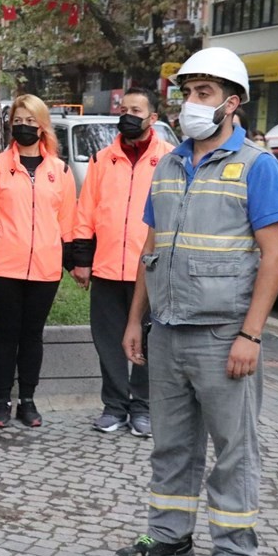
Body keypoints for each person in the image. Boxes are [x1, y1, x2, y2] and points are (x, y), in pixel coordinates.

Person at [113, 47, 278, 556]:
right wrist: (136, 321)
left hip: (222, 336)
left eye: (204, 93)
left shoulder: (257, 167)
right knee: (172, 444)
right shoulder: (168, 163)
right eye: (187, 92)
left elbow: (276, 255)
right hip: (166, 330)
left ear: (232, 104)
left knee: (234, 449)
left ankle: (234, 555)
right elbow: (151, 246)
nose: (190, 103)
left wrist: (251, 334)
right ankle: (169, 536)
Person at [71, 87, 174, 438]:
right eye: (123, 108)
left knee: (148, 339)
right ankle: (114, 406)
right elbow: (86, 211)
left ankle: (143, 406)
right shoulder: (102, 159)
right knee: (108, 339)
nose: (127, 114)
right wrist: (81, 259)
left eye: (136, 109)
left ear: (152, 119)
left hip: (151, 269)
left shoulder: (171, 160)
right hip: (107, 267)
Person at [0, 94, 77, 429]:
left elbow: (68, 221)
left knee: (33, 335)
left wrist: (74, 263)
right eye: (18, 120)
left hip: (45, 268)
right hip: (4, 266)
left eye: (31, 121)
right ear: (10, 123)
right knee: (6, 334)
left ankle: (27, 400)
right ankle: (1, 400)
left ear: (42, 125)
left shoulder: (60, 170)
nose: (24, 126)